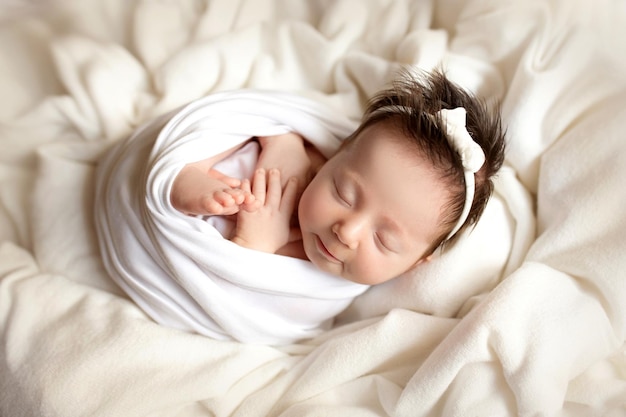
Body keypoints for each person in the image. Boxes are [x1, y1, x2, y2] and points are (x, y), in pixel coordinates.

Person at [170, 69, 506, 286]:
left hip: (192, 245)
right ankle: (184, 172)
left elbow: (233, 291)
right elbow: (257, 113)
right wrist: (283, 141)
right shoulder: (314, 158)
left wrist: (257, 244)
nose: (347, 231)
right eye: (344, 193)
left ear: (414, 264)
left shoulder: (317, 286)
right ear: (338, 153)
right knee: (230, 136)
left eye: (384, 240)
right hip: (220, 167)